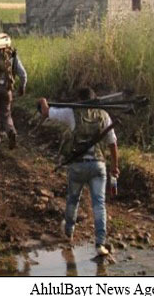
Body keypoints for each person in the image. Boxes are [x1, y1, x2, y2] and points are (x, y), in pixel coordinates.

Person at [37, 87, 119, 257]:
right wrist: (114, 167)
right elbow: (112, 143)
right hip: (98, 165)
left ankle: (68, 231)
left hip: (78, 166)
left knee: (73, 199)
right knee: (99, 204)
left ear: (78, 100)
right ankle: (100, 243)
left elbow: (46, 112)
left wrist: (43, 101)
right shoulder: (103, 114)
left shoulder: (71, 112)